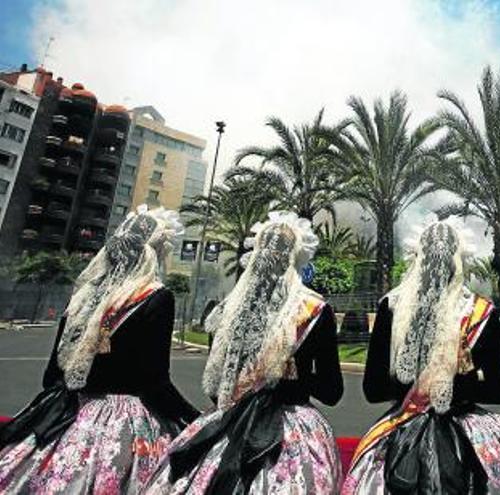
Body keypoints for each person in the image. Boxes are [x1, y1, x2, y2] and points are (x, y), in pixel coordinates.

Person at [0, 205, 199, 494]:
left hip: (65, 413)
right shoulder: (156, 297)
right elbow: (153, 382)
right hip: (123, 422)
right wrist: (193, 419)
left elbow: (52, 374)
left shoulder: (85, 294)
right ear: (154, 252)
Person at [143, 211, 344, 494]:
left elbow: (216, 387)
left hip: (226, 422)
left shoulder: (226, 310)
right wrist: (291, 374)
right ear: (298, 256)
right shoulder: (315, 310)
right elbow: (331, 391)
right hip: (291, 434)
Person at [343, 218, 500, 495]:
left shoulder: (391, 307)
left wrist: (415, 390)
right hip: (469, 429)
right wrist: (457, 386)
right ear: (459, 260)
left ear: (417, 257)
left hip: (401, 426)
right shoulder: (480, 311)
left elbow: (373, 389)